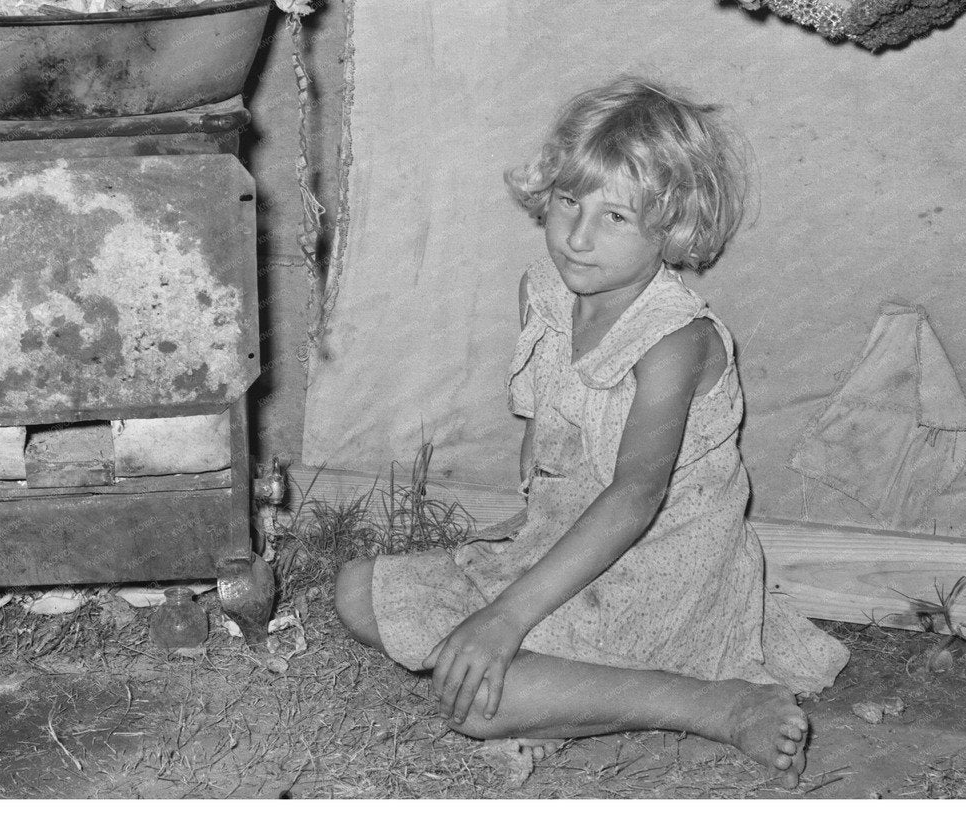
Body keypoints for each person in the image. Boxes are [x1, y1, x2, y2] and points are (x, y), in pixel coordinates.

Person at [335, 76, 848, 788]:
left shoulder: (674, 341)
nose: (578, 235)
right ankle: (563, 694)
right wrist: (535, 488)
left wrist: (506, 619)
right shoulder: (546, 289)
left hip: (658, 570)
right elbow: (547, 415)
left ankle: (710, 702)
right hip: (565, 542)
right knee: (358, 592)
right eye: (570, 202)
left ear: (671, 229)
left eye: (616, 217)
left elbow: (635, 496)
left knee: (479, 704)